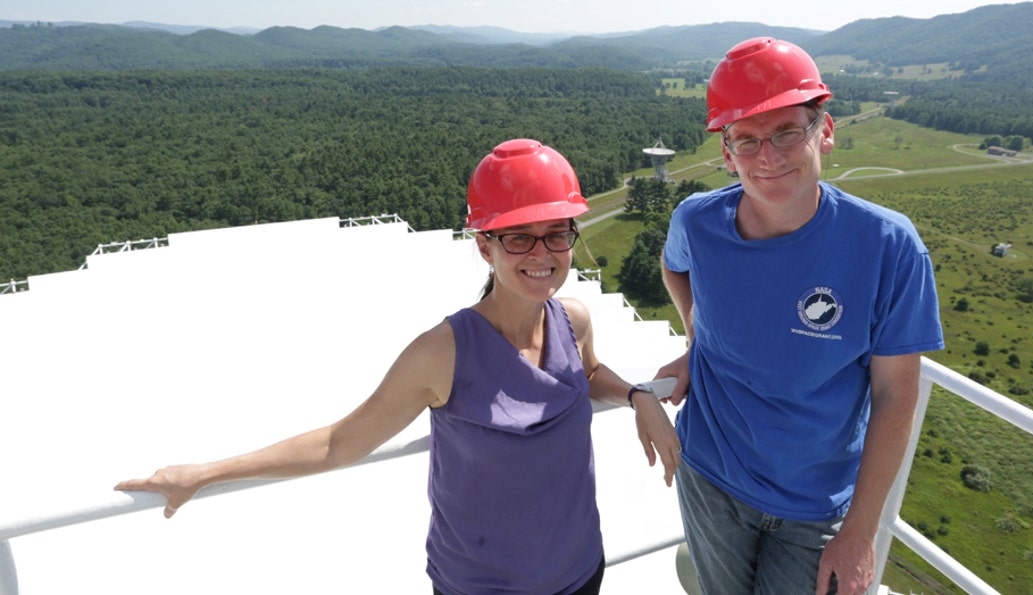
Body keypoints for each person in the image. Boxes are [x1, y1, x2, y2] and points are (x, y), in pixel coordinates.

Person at [116, 138, 682, 595]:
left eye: (556, 233)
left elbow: (586, 374)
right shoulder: (443, 352)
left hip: (581, 570)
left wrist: (637, 395)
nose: (542, 254)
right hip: (481, 587)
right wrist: (205, 473)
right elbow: (338, 443)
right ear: (484, 246)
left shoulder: (571, 318)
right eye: (518, 238)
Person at [655, 38, 944, 595]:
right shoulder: (697, 223)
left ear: (825, 130)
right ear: (726, 152)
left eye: (788, 131)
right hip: (710, 477)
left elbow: (894, 395)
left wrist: (860, 533)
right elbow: (676, 270)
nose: (768, 156)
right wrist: (700, 342)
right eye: (746, 140)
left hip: (815, 504)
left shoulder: (888, 246)